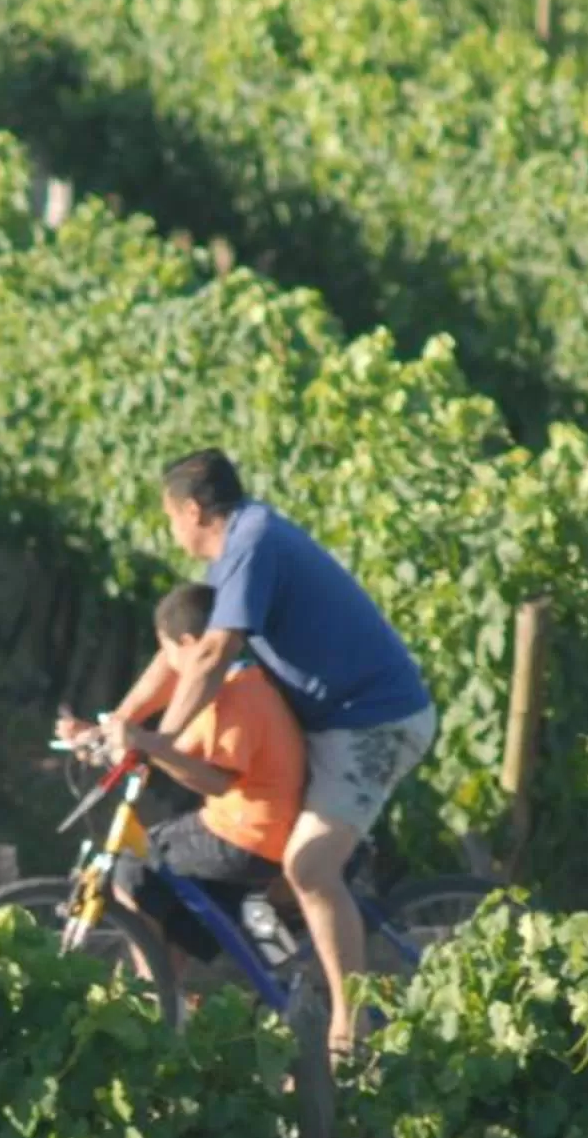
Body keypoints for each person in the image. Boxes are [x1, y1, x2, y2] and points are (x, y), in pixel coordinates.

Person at [99, 449, 436, 1050]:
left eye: (169, 516)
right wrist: (122, 721)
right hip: (332, 722)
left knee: (310, 867)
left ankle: (348, 1030)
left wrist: (160, 741)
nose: (170, 529)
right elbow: (180, 651)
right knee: (275, 871)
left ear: (192, 510)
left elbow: (211, 653)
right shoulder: (239, 549)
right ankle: (287, 983)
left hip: (373, 723)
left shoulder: (253, 543)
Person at [56, 584, 306, 1002]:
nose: (168, 665)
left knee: (133, 866)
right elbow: (173, 753)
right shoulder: (226, 685)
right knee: (170, 905)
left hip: (248, 836)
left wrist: (151, 746)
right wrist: (102, 736)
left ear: (189, 644)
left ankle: (152, 992)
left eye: (168, 652)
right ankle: (167, 1000)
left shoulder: (240, 693)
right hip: (245, 832)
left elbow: (215, 780)